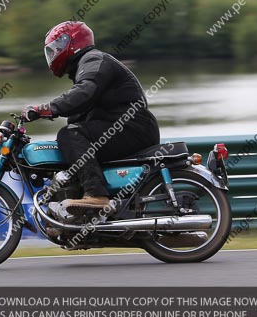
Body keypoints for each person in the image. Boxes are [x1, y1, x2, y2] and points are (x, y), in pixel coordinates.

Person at [22, 21, 160, 211]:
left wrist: (47, 108)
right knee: (70, 138)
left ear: (72, 43)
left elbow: (84, 92)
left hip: (132, 128)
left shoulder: (93, 60)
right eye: (51, 51)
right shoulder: (85, 68)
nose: (53, 55)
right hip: (123, 128)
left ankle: (96, 195)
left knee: (69, 135)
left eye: (56, 48)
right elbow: (80, 110)